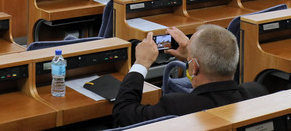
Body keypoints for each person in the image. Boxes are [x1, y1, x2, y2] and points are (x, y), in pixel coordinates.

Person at [112, 25, 267, 127]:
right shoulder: (257, 92)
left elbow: (122, 113)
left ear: (194, 67)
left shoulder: (175, 106)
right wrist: (190, 55)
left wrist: (141, 63)